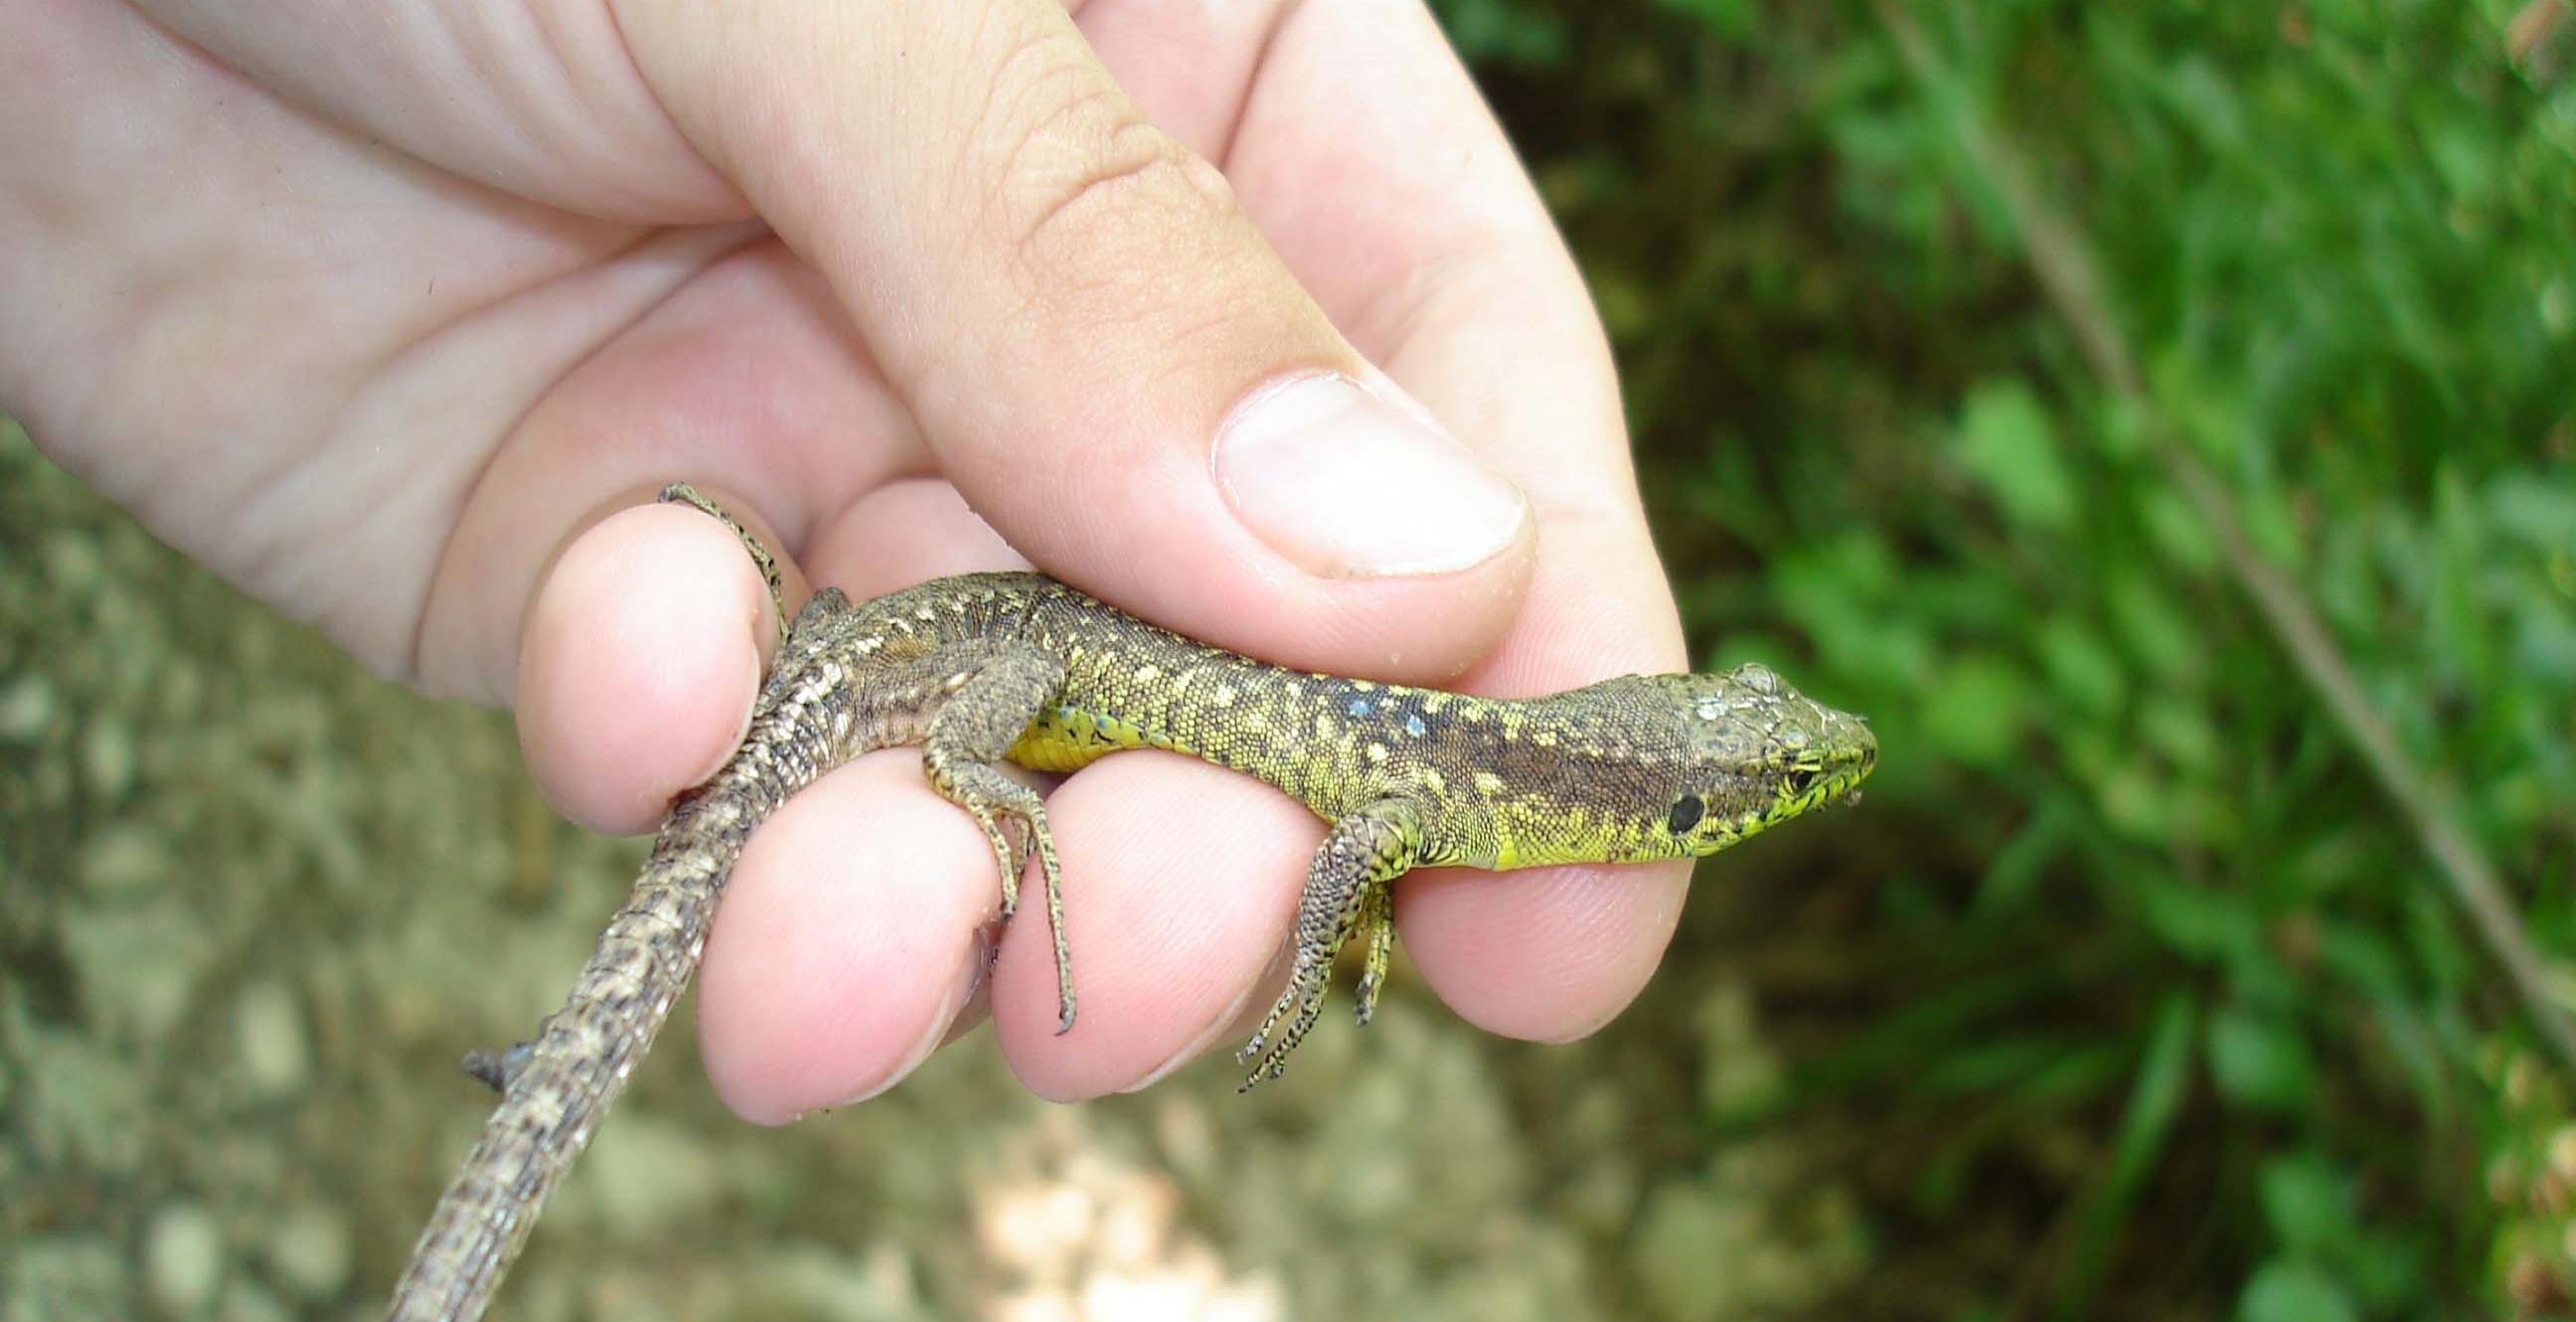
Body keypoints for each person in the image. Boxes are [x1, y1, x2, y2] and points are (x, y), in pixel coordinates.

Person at [1, 0, 1687, 1113]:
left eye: (1761, 776)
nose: (1782, 777)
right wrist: (1315, 942)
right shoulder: (1460, 778)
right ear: (1657, 800)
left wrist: (1356, 922)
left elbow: (1353, 849)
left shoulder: (1466, 782)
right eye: (1750, 782)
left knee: (752, 806)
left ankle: (571, 1057)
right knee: (845, 771)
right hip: (971, 664)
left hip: (952, 631)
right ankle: (927, 789)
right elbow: (1346, 850)